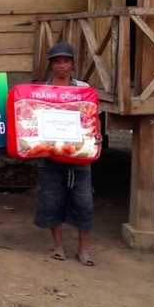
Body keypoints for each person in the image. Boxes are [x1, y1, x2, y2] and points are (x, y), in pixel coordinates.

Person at [34, 42, 96, 266]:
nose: (61, 66)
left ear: (72, 64)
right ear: (51, 66)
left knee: (84, 203)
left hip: (79, 157)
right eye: (57, 62)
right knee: (52, 201)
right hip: (50, 157)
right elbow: (31, 122)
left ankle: (83, 249)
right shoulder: (41, 93)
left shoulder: (84, 89)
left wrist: (95, 135)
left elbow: (91, 120)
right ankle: (58, 246)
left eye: (65, 61)